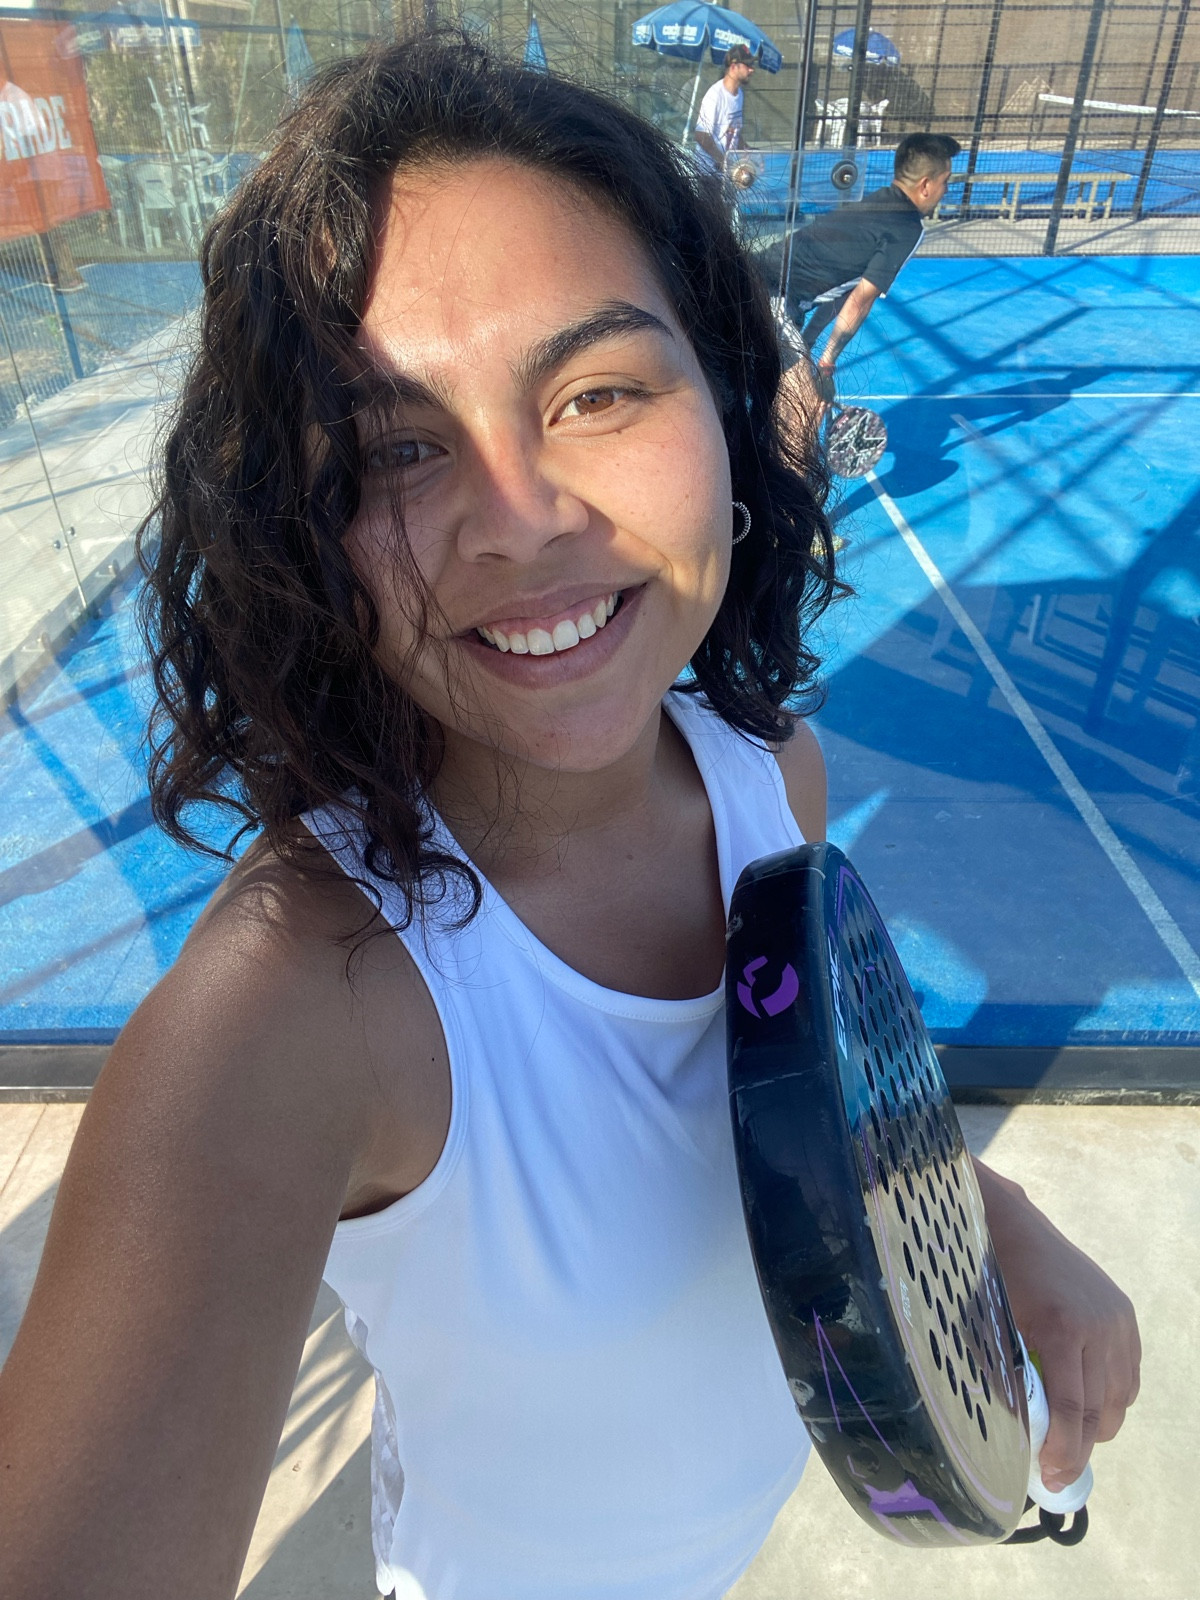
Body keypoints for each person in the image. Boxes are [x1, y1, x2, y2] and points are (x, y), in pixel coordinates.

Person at [0, 38, 1139, 1600]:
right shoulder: (287, 1019)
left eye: (599, 392)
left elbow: (801, 1132)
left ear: (728, 403)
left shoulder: (774, 779)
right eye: (398, 447)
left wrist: (993, 1220)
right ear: (297, 530)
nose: (524, 517)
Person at [767, 130, 961, 393]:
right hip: (773, 298)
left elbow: (841, 292)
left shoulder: (876, 204)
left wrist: (809, 348)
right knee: (806, 397)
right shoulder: (907, 228)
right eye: (945, 181)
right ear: (925, 185)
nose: (946, 190)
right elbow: (860, 301)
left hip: (763, 285)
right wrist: (827, 363)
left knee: (772, 388)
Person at [693, 42, 756, 186]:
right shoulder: (715, 95)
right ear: (733, 67)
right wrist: (723, 162)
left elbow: (733, 132)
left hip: (726, 175)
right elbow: (701, 136)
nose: (752, 70)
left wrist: (747, 151)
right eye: (747, 65)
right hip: (708, 174)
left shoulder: (739, 94)